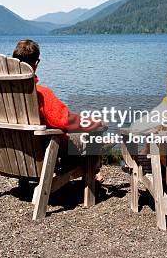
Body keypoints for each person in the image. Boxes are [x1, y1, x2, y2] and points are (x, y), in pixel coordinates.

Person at [12, 39, 104, 181]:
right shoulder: (41, 93)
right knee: (96, 135)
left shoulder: (0, 95)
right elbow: (63, 120)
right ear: (35, 64)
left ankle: (82, 168)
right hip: (44, 147)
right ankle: (92, 171)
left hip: (14, 149)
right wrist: (94, 122)